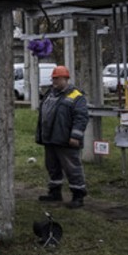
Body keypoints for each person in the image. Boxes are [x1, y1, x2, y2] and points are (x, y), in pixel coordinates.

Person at [35, 65, 89, 208]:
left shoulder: (76, 96)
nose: (54, 81)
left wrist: (75, 136)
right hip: (50, 138)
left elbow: (81, 117)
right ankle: (54, 192)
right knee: (52, 166)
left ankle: (78, 196)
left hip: (66, 140)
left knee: (72, 167)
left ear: (65, 79)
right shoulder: (50, 93)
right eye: (53, 78)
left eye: (57, 79)